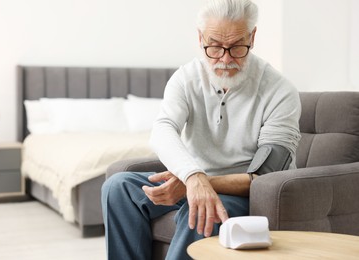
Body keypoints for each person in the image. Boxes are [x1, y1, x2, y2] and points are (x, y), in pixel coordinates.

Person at [102, 0, 301, 259]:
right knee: (118, 187)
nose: (225, 59)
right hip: (193, 181)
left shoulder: (279, 91)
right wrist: (193, 177)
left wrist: (197, 185)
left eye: (237, 47)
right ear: (200, 38)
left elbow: (264, 176)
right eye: (215, 47)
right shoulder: (186, 78)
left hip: (244, 194)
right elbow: (163, 128)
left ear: (252, 37)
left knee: (200, 209)